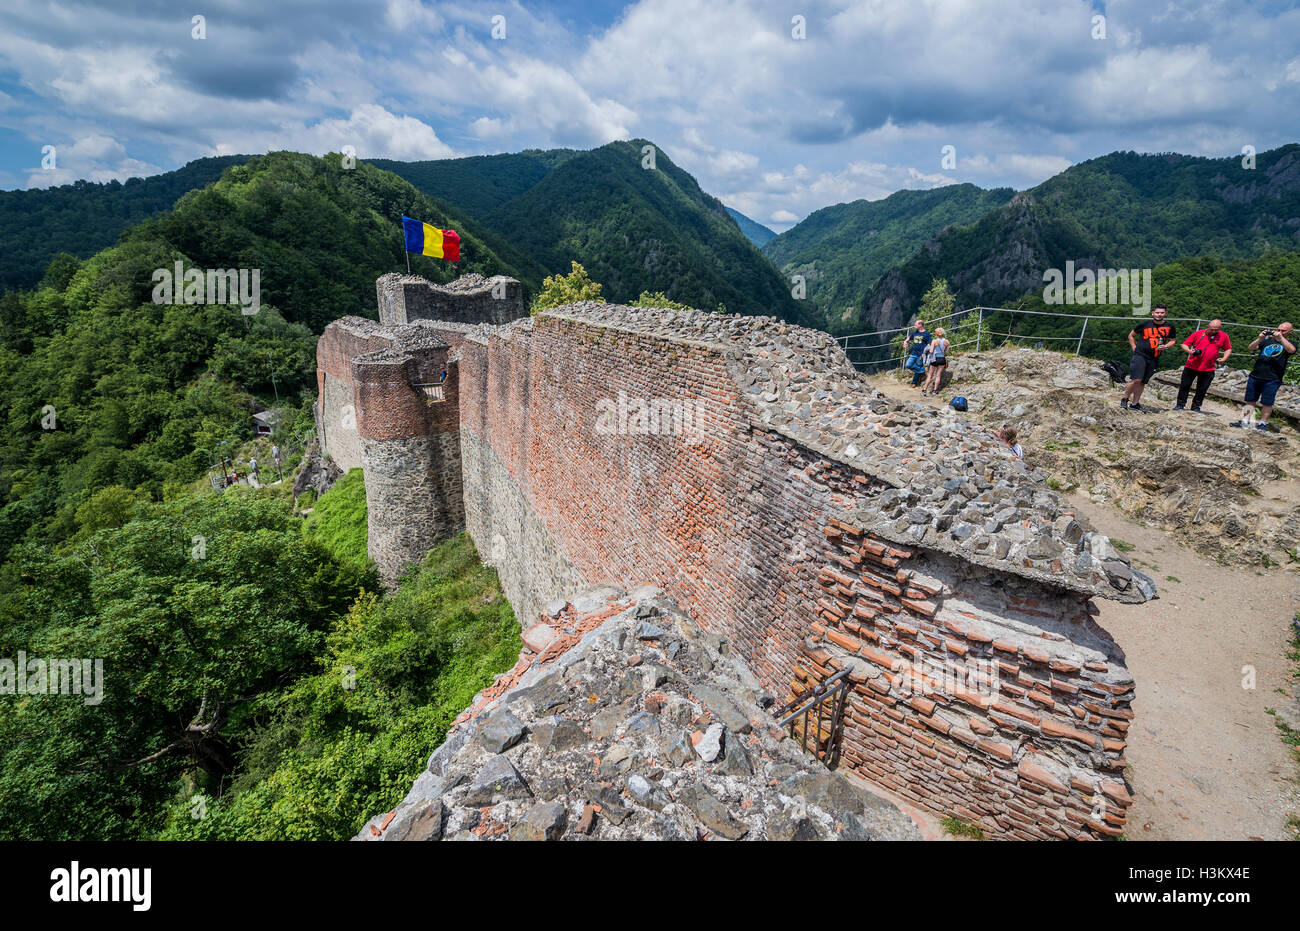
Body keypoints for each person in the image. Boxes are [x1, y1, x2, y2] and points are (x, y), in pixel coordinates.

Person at [1231, 322, 1295, 431]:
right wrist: (1260, 338)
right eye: (1278, 329)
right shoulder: (1267, 341)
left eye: (1283, 331)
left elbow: (1291, 350)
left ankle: (1262, 424)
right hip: (1256, 375)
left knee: (1267, 402)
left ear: (1290, 332)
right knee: (1250, 400)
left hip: (1273, 378)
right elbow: (1251, 347)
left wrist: (1281, 338)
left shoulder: (1290, 343)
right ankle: (1245, 421)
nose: (1279, 332)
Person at [1121, 304, 1177, 412]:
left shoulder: (1170, 326)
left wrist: (1166, 346)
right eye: (1157, 312)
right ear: (1153, 313)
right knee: (1136, 379)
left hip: (1154, 357)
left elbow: (1173, 340)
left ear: (1165, 314)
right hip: (1140, 354)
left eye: (1162, 313)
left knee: (1143, 381)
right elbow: (1131, 335)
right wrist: (1134, 347)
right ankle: (1125, 398)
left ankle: (1135, 403)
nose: (1159, 315)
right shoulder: (1145, 324)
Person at [1175, 319, 1231, 412]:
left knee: (1202, 388)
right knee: (1185, 385)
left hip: (1208, 368)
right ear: (1207, 327)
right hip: (1192, 365)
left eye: (1216, 330)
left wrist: (1224, 358)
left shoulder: (1223, 336)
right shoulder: (1198, 333)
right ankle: (1180, 404)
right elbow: (1185, 344)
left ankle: (1196, 406)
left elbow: (1228, 348)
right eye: (1212, 329)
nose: (1213, 332)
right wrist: (1189, 351)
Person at [920, 327, 950, 397]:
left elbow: (931, 351)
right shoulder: (947, 342)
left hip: (935, 359)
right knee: (938, 375)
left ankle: (924, 390)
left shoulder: (934, 341)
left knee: (930, 375)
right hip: (942, 359)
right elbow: (946, 352)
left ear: (937, 334)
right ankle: (934, 391)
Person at [904, 319, 931, 387]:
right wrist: (905, 342)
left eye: (915, 325)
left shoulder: (926, 333)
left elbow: (929, 344)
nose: (914, 326)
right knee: (908, 365)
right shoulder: (914, 333)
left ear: (920, 325)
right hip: (914, 353)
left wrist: (924, 353)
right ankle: (923, 371)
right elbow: (908, 339)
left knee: (917, 367)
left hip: (921, 354)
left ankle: (914, 383)